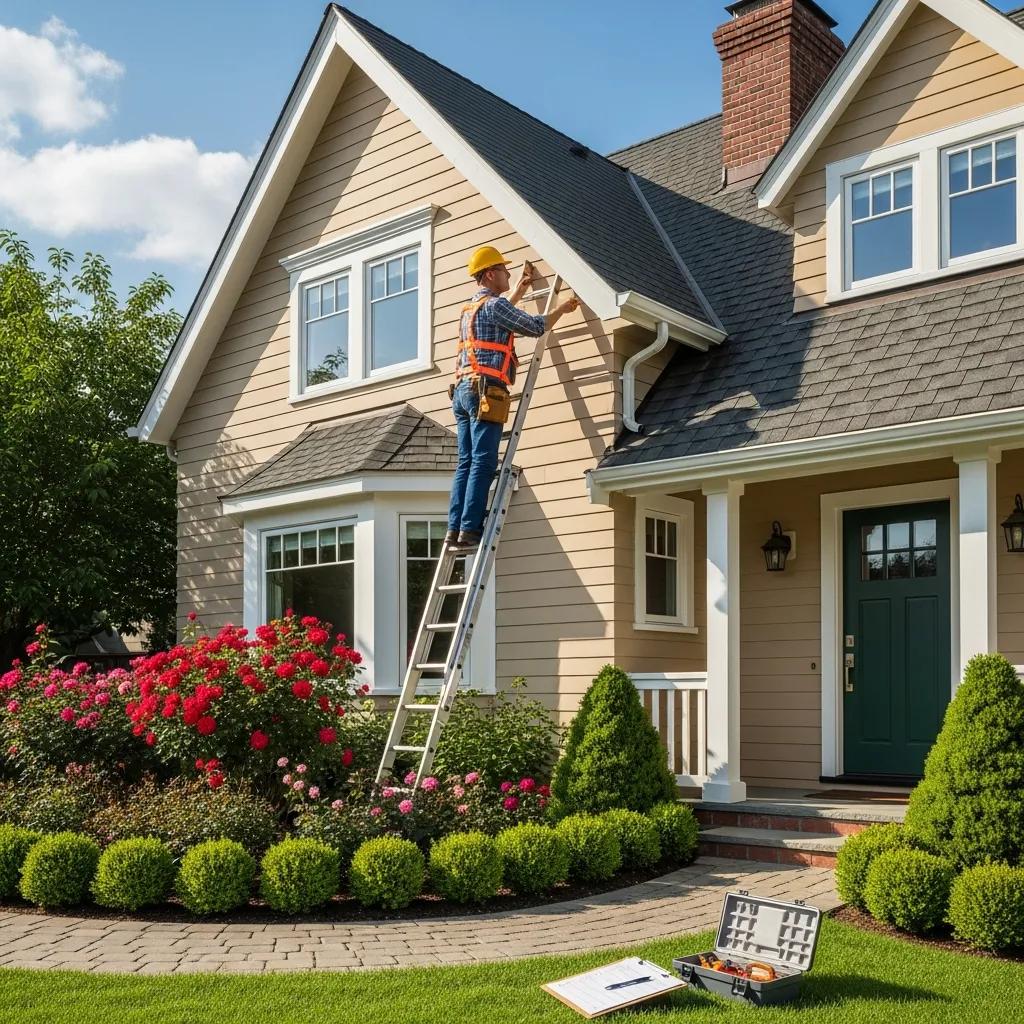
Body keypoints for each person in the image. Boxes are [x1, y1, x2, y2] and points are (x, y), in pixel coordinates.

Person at [446, 246, 580, 550]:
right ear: (491, 274)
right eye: (504, 270)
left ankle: (455, 529)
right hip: (486, 391)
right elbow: (534, 327)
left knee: (466, 462)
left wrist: (520, 288)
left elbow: (499, 319)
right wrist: (563, 309)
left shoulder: (470, 308)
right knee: (483, 461)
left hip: (463, 391)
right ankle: (470, 530)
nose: (508, 273)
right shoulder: (494, 306)